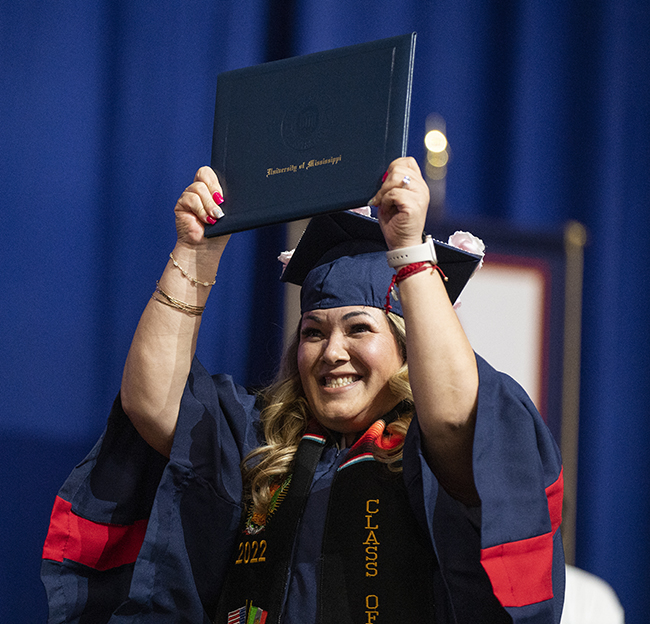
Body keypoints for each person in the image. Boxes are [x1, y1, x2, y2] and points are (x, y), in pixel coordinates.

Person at [42, 158, 565, 623]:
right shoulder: (260, 440)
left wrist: (408, 253)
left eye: (359, 328)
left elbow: (453, 421)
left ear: (410, 350)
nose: (331, 351)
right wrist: (194, 253)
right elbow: (150, 404)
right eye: (313, 332)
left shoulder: (425, 458)